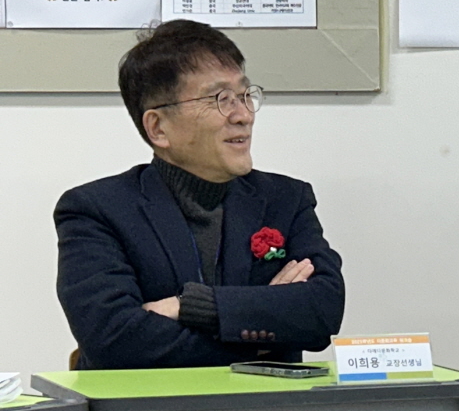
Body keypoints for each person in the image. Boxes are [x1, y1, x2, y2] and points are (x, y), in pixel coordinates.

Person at [55, 20, 345, 369]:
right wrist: (264, 336)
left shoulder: (285, 199)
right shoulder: (96, 210)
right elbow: (114, 341)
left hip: (263, 402)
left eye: (245, 95)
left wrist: (189, 306)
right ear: (158, 128)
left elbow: (323, 311)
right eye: (220, 99)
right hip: (146, 403)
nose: (243, 115)